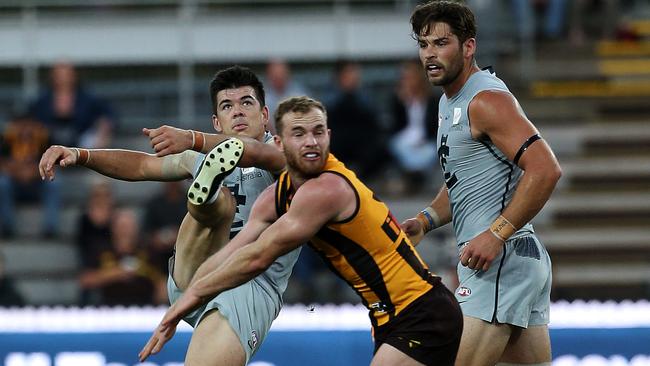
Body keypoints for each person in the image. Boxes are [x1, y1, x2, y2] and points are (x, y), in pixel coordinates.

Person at [139, 96, 463, 366]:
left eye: (318, 132)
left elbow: (257, 258)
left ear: (329, 136)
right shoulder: (275, 196)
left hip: (422, 312)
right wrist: (187, 296)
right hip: (391, 319)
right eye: (299, 133)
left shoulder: (327, 190)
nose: (311, 142)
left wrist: (186, 302)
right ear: (279, 142)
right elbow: (232, 253)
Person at [39, 66, 297, 365]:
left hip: (249, 284)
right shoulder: (201, 154)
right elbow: (141, 166)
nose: (237, 112)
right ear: (216, 121)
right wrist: (82, 154)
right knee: (215, 199)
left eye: (246, 103)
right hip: (196, 271)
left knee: (218, 197)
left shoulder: (283, 154)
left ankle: (209, 196)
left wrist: (191, 138)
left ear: (265, 114)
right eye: (227, 106)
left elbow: (256, 153)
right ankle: (207, 197)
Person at [401, 2, 562, 366]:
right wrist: (425, 220)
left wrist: (496, 233)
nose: (430, 54)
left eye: (441, 43)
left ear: (468, 46)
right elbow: (463, 181)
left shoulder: (486, 100)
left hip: (500, 263)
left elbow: (546, 169)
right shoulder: (450, 101)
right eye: (424, 44)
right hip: (515, 263)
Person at [79, 208, 162, 306]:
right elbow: (85, 280)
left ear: (136, 229)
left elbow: (161, 282)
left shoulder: (148, 251)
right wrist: (116, 273)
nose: (125, 231)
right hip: (109, 308)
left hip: (144, 307)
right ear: (113, 228)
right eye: (122, 226)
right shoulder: (102, 250)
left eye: (129, 226)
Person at [29, 62, 116, 149]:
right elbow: (29, 119)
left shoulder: (88, 99)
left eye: (67, 75)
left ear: (74, 76)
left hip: (82, 142)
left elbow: (107, 117)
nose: (63, 79)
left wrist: (102, 133)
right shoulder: (42, 100)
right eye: (59, 75)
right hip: (48, 142)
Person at [0, 113, 60, 238]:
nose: (25, 129)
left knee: (54, 184)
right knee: (3, 183)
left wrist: (30, 171)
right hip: (15, 183)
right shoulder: (7, 139)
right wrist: (21, 171)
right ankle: (7, 227)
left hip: (37, 182)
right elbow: (3, 165)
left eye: (29, 125)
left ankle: (50, 228)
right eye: (22, 125)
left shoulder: (44, 139)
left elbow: (52, 165)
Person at [387, 59, 440, 193]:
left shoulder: (432, 99)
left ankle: (413, 176)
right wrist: (405, 102)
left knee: (430, 151)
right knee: (397, 146)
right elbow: (395, 126)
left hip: (425, 140)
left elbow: (434, 126)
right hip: (405, 138)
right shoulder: (398, 100)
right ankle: (415, 176)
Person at [264, 58, 309, 134]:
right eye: (275, 75)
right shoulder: (262, 95)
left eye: (281, 74)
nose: (278, 78)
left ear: (288, 74)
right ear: (269, 76)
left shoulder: (299, 94)